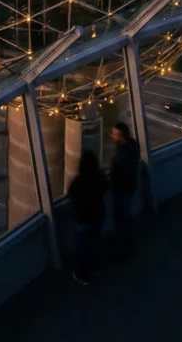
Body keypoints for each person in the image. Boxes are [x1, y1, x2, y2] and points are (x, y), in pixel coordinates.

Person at [67, 149, 107, 285]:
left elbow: (71, 196)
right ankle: (97, 268)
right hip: (97, 217)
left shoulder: (78, 182)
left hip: (82, 220)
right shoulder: (99, 178)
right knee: (96, 244)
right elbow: (106, 187)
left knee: (82, 249)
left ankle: (82, 275)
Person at [108, 121, 139, 258]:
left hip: (122, 189)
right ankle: (123, 242)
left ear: (122, 137)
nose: (111, 136)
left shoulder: (122, 156)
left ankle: (123, 248)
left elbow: (117, 172)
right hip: (128, 187)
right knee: (123, 216)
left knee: (121, 216)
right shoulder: (132, 146)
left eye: (114, 135)